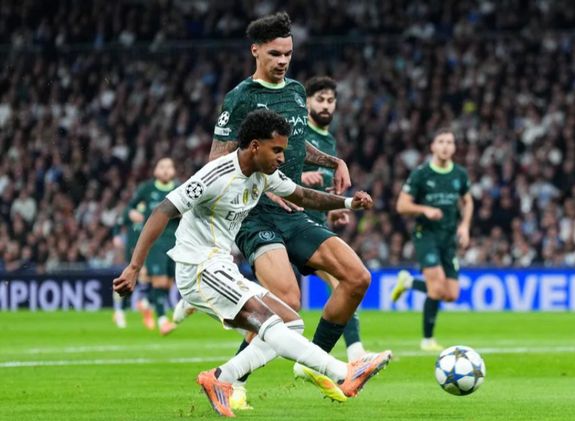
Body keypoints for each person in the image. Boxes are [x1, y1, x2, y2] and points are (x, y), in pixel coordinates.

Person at [112, 109, 391, 417]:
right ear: (255, 146)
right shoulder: (215, 175)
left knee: (291, 322)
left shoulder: (263, 174)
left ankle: (222, 377)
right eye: (277, 150)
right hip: (199, 267)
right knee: (270, 324)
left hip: (221, 265)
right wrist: (134, 267)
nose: (282, 158)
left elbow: (301, 195)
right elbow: (163, 210)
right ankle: (342, 373)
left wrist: (348, 202)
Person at [209, 12, 381, 407]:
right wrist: (263, 186)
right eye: (275, 53)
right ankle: (232, 381)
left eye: (288, 53)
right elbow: (216, 161)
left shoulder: (297, 91)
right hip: (254, 215)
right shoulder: (240, 98)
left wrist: (333, 161)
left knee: (357, 277)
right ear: (255, 51)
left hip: (294, 211)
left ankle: (314, 363)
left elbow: (299, 145)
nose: (283, 60)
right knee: (286, 302)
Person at [297, 75, 367, 363]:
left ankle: (354, 353)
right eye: (320, 100)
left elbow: (323, 188)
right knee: (283, 305)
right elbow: (271, 168)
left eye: (330, 100)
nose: (326, 105)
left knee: (345, 282)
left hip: (315, 224)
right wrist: (299, 177)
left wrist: (333, 209)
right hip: (288, 224)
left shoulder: (329, 141)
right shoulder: (298, 131)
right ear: (307, 103)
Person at [392, 128, 473, 351]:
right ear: (433, 146)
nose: (446, 146)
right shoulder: (421, 174)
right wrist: (424, 210)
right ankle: (427, 340)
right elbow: (401, 205)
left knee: (451, 294)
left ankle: (409, 283)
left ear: (454, 147)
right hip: (426, 235)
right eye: (441, 141)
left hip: (449, 237)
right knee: (436, 289)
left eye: (450, 142)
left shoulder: (460, 174)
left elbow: (468, 201)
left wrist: (465, 226)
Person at [123, 157, 179, 335]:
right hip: (155, 242)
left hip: (175, 242)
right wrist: (133, 214)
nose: (165, 170)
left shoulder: (180, 188)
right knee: (159, 281)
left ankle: (145, 303)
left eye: (169, 167)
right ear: (155, 170)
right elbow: (129, 208)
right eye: (162, 167)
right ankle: (163, 321)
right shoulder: (147, 188)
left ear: (174, 170)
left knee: (168, 283)